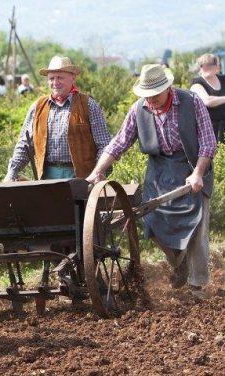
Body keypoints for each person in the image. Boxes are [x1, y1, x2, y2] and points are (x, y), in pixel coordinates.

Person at [86, 64, 217, 299]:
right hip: (159, 173)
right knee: (152, 225)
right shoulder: (138, 110)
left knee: (198, 229)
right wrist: (98, 171)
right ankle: (178, 262)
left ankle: (198, 285)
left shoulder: (191, 102)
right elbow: (119, 143)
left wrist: (198, 172)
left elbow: (208, 143)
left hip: (192, 167)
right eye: (147, 95)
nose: (151, 100)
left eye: (155, 94)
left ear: (168, 88)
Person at [4, 56, 111, 181]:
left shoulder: (88, 105)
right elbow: (24, 144)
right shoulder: (37, 107)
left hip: (82, 178)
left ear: (73, 78)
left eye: (60, 77)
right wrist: (12, 171)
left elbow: (104, 144)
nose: (55, 82)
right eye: (51, 78)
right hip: (46, 177)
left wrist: (98, 172)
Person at [190, 53, 225, 142]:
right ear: (200, 68)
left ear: (216, 66)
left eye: (210, 64)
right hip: (210, 131)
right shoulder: (196, 84)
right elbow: (208, 101)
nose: (206, 67)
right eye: (203, 65)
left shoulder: (223, 79)